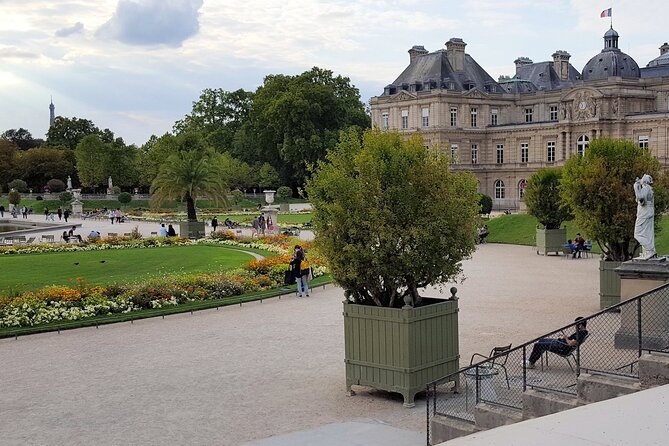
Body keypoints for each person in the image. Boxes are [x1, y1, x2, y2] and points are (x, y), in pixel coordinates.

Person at [524, 317, 589, 369]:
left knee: (537, 345)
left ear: (580, 325)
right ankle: (533, 360)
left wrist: (565, 337)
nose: (575, 326)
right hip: (561, 344)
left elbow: (571, 343)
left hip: (562, 348)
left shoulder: (581, 333)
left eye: (576, 324)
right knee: (541, 340)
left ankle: (531, 363)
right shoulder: (582, 332)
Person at [634, 174, 656, 259]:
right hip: (648, 213)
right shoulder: (649, 189)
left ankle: (649, 250)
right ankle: (647, 252)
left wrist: (636, 186)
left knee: (637, 234)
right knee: (647, 233)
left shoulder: (646, 188)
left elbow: (640, 197)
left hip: (644, 214)